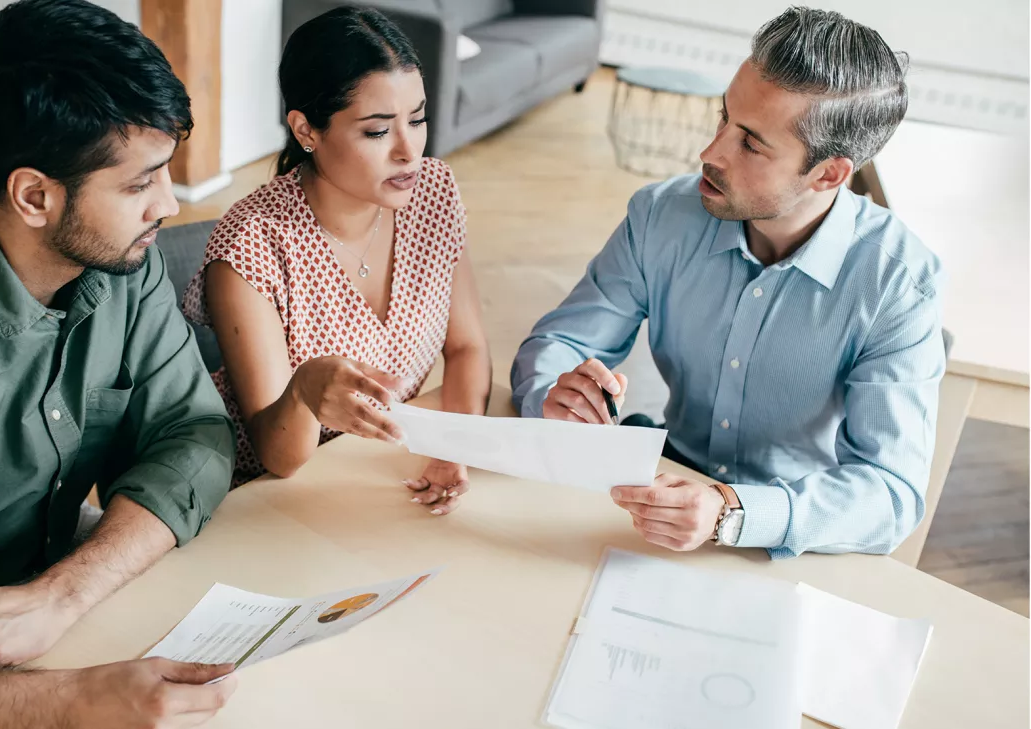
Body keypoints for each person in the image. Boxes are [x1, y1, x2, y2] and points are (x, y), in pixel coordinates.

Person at [0, 0, 240, 726]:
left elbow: (193, 433)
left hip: (56, 618)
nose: (167, 204)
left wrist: (63, 593)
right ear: (34, 195)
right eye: (137, 183)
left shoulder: (124, 263)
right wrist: (72, 700)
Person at [511, 7, 943, 559]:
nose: (709, 154)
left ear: (829, 173)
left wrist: (733, 512)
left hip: (791, 537)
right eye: (723, 119)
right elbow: (560, 345)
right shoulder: (660, 215)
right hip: (654, 497)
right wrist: (555, 396)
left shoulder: (898, 284)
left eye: (752, 144)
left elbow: (889, 491)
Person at [183, 7, 491, 513]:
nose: (408, 151)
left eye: (417, 120)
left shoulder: (432, 192)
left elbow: (468, 348)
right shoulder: (250, 242)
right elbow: (277, 457)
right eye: (377, 132)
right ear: (307, 130)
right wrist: (305, 391)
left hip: (379, 470)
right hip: (266, 498)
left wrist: (451, 447)